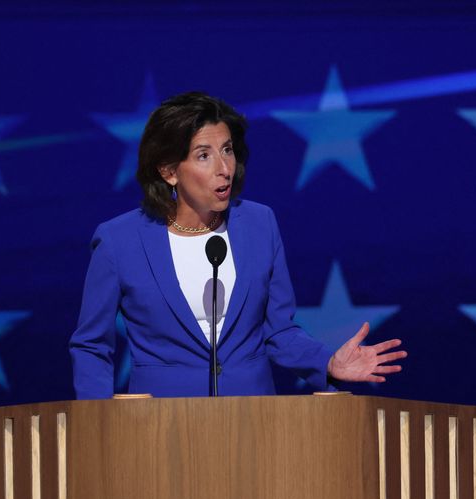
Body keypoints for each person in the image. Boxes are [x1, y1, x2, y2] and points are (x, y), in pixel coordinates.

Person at [69, 92, 405, 399]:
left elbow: (280, 332)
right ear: (169, 171)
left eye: (227, 150)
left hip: (252, 419)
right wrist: (101, 419)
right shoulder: (119, 240)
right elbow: (91, 345)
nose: (224, 168)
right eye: (204, 155)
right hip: (158, 427)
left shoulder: (260, 225)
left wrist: (328, 363)